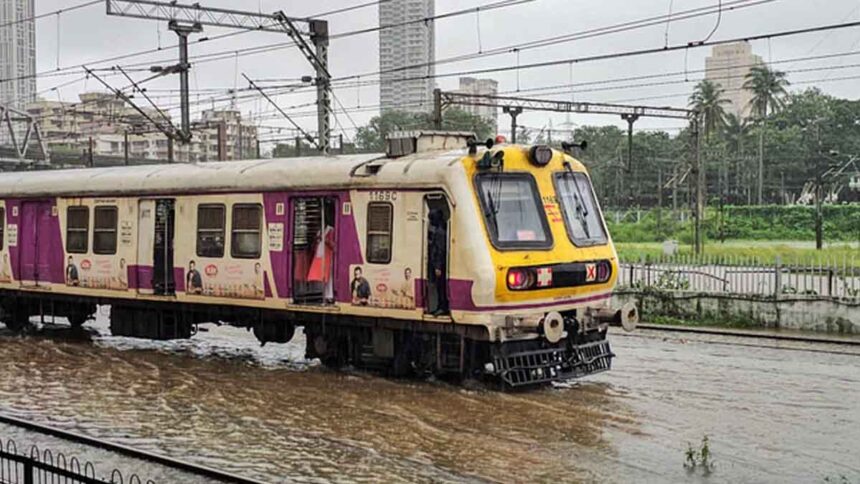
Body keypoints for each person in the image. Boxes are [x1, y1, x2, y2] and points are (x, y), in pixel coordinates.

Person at [428, 209, 449, 316]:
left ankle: (442, 307)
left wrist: (438, 266)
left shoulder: (439, 232)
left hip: (439, 265)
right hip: (439, 263)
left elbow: (440, 250)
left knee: (440, 286)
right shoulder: (441, 230)